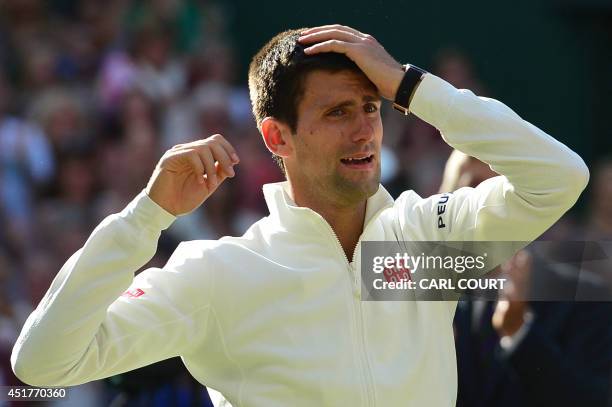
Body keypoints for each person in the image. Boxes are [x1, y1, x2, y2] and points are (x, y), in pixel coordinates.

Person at [11, 25, 589, 406]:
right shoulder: (219, 272)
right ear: (275, 136)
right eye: (338, 111)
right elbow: (42, 364)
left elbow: (561, 177)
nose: (365, 128)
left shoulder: (430, 241)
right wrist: (145, 216)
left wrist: (412, 86)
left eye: (372, 106)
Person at [443, 151, 612, 407]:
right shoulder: (423, 308)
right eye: (465, 195)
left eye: (491, 194)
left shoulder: (587, 301)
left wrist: (519, 334)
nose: (477, 211)